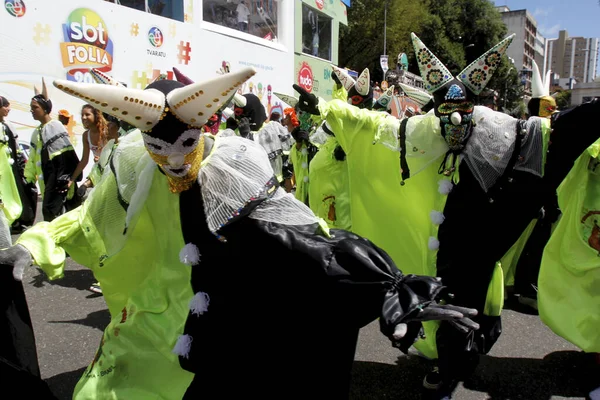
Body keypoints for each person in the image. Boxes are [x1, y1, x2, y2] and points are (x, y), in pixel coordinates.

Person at [0, 67, 479, 399]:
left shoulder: (233, 165)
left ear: (203, 131)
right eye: (157, 147)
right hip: (151, 309)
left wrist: (389, 284)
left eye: (184, 144)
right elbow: (87, 218)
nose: (172, 162)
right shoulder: (130, 164)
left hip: (223, 315)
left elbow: (302, 233)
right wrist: (36, 241)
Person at [293, 32, 600, 398]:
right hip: (431, 246)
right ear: (434, 110)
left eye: (464, 109)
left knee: (464, 305)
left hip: (475, 246)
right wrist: (327, 109)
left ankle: (453, 364)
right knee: (430, 300)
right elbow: (371, 125)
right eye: (446, 110)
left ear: (475, 106)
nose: (455, 117)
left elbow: (558, 134)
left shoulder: (502, 136)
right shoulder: (419, 132)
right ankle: (443, 357)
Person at [24, 79, 79, 222]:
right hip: (48, 179)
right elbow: (33, 158)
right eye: (31, 107)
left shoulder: (55, 126)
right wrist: (28, 178)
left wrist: (65, 179)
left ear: (45, 109)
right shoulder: (36, 132)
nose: (31, 111)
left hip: (59, 180)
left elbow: (66, 156)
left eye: (35, 107)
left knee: (59, 215)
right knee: (50, 215)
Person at [0, 96, 37, 231]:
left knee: (20, 191)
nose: (8, 108)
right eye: (5, 106)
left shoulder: (7, 125)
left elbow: (15, 147)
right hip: (3, 168)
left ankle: (20, 219)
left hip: (13, 166)